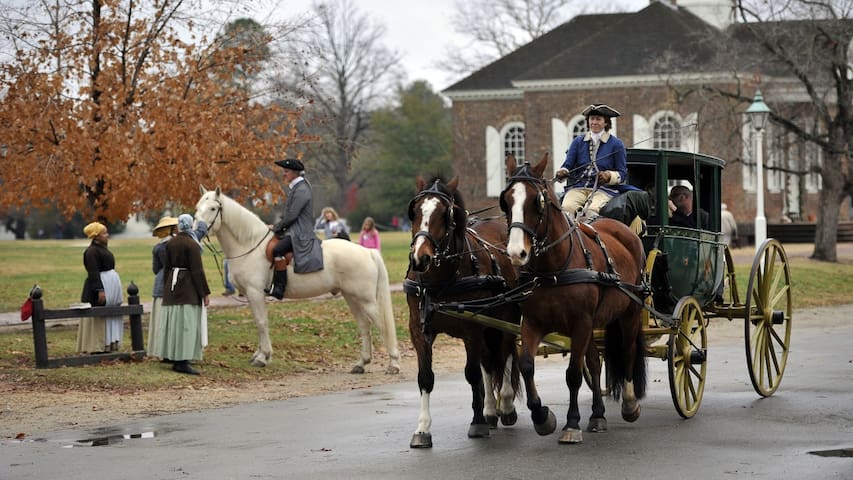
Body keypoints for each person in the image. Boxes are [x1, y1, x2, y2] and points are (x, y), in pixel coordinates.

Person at [153, 214, 211, 375]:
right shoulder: (191, 245)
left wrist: (166, 288)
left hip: (173, 285)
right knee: (186, 325)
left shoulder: (171, 243)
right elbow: (197, 271)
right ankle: (182, 360)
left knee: (174, 323)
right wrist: (204, 293)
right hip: (187, 288)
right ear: (191, 225)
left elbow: (167, 267)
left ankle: (172, 355)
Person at [555, 104, 633, 216]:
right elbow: (568, 165)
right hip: (579, 187)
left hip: (604, 190)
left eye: (598, 119)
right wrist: (563, 171)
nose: (594, 122)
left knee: (591, 211)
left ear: (606, 122)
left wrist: (609, 175)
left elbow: (622, 174)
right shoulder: (578, 141)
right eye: (592, 119)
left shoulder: (616, 144)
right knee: (567, 208)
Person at [267, 158, 324, 299]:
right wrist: (277, 226)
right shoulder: (297, 187)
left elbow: (292, 215)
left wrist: (277, 228)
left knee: (277, 250)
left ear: (294, 173)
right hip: (293, 230)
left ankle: (280, 287)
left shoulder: (302, 189)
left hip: (300, 233)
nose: (284, 174)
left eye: (286, 172)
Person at [77, 221, 124, 353]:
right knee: (97, 315)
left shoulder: (103, 249)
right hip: (99, 286)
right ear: (96, 236)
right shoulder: (91, 252)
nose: (107, 235)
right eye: (104, 233)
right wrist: (100, 290)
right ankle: (96, 345)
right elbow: (93, 272)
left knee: (110, 314)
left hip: (109, 284)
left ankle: (109, 343)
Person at [149, 216, 178, 358]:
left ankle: (159, 349)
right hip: (172, 281)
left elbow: (155, 268)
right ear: (171, 230)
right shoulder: (175, 245)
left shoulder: (158, 247)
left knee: (160, 318)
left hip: (159, 282)